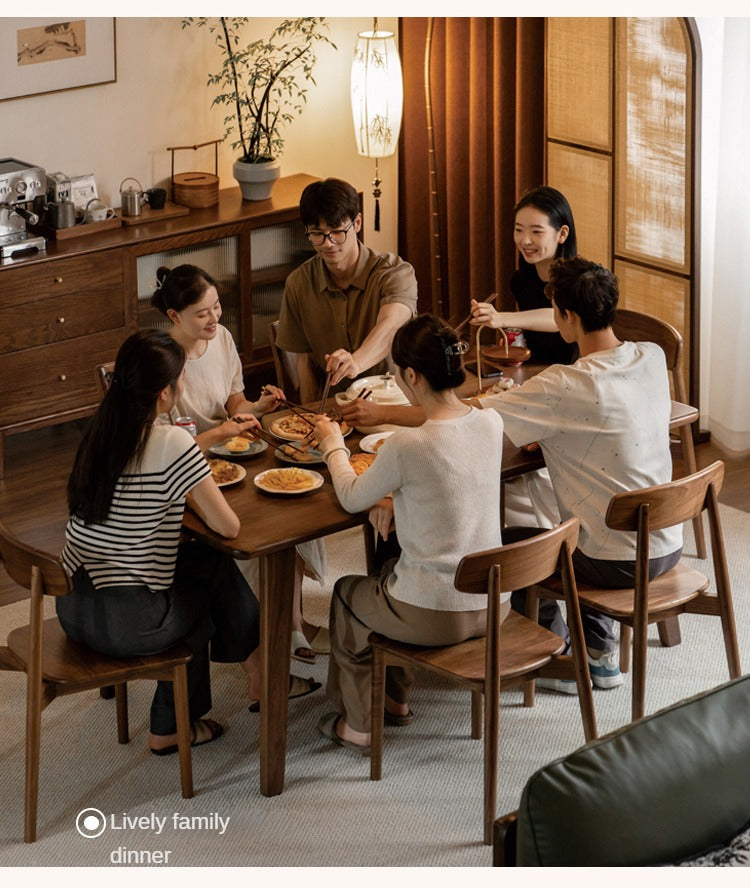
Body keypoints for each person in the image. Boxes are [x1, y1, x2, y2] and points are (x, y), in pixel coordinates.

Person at [58, 330, 282, 755]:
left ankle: (255, 676)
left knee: (201, 563)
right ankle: (180, 722)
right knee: (204, 585)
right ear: (165, 392)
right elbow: (230, 527)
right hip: (127, 625)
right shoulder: (172, 441)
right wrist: (187, 495)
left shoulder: (99, 435)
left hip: (74, 607)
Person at [478, 257, 683, 691]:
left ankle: (559, 652)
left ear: (566, 317)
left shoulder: (565, 384)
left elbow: (469, 416)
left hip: (614, 562)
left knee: (507, 542)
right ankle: (595, 645)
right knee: (579, 522)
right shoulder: (651, 356)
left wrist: (381, 412)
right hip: (666, 544)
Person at [311, 314, 507, 754]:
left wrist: (332, 444)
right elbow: (453, 492)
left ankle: (359, 725)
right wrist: (399, 503)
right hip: (493, 604)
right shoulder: (489, 423)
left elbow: (350, 495)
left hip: (437, 611)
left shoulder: (408, 444)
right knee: (387, 572)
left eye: (397, 374)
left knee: (347, 593)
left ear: (412, 375)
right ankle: (395, 701)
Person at [151, 263, 329, 666]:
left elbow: (233, 401)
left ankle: (292, 621)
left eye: (217, 307)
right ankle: (264, 632)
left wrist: (257, 408)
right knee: (253, 529)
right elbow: (160, 449)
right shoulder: (161, 358)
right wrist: (222, 433)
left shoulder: (223, 338)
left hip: (236, 454)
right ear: (174, 317)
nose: (214, 318)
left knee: (297, 502)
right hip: (191, 465)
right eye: (202, 313)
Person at [276, 177, 419, 402]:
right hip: (339, 409)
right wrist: (313, 418)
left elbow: (391, 327)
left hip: (396, 404)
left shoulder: (395, 273)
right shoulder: (299, 283)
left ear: (357, 222)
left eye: (337, 231)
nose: (328, 243)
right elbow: (305, 363)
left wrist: (356, 362)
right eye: (317, 233)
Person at [469, 185, 578, 365]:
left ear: (562, 234)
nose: (525, 240)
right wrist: (515, 341)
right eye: (519, 229)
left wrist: (501, 318)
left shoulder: (579, 281)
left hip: (574, 377)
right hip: (536, 373)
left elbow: (558, 319)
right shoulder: (521, 281)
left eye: (536, 231)